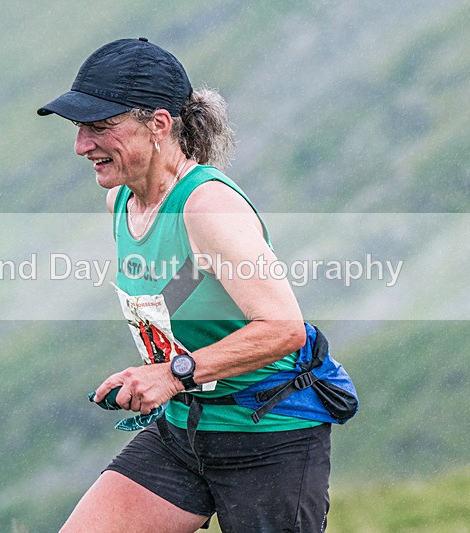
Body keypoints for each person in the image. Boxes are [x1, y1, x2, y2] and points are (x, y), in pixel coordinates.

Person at [38, 37, 331, 533]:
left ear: (159, 124)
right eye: (79, 128)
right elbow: (184, 300)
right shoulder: (122, 203)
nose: (81, 145)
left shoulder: (206, 207)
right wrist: (156, 374)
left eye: (100, 127)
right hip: (185, 431)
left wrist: (172, 374)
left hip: (268, 435)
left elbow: (285, 328)